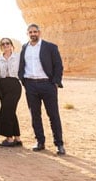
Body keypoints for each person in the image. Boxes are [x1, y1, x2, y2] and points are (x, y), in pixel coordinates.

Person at [18, 23, 65, 155]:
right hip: (31, 85)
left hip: (47, 85)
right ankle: (40, 141)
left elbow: (58, 66)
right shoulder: (24, 47)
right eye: (30, 32)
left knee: (53, 115)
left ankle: (59, 144)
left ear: (39, 32)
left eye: (35, 32)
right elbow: (22, 65)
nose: (33, 34)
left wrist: (55, 82)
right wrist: (24, 80)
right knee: (35, 115)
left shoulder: (50, 47)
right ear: (27, 34)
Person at [0, 37, 22, 147]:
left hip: (14, 84)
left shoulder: (18, 57)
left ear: (11, 44)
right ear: (1, 46)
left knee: (6, 110)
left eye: (7, 43)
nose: (5, 45)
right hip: (2, 85)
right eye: (3, 44)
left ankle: (9, 139)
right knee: (11, 111)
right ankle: (17, 138)